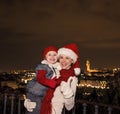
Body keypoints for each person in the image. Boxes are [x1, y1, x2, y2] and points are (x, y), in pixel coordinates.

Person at [40, 43, 81, 114]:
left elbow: (69, 106)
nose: (63, 61)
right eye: (61, 57)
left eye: (67, 58)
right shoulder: (54, 70)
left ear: (72, 61)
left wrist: (68, 94)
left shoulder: (72, 79)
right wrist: (31, 99)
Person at [24, 46, 61, 114]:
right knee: (35, 110)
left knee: (41, 110)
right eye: (49, 54)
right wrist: (52, 83)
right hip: (34, 92)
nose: (52, 57)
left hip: (42, 94)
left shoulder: (55, 68)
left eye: (54, 55)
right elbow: (40, 78)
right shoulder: (43, 66)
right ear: (45, 57)